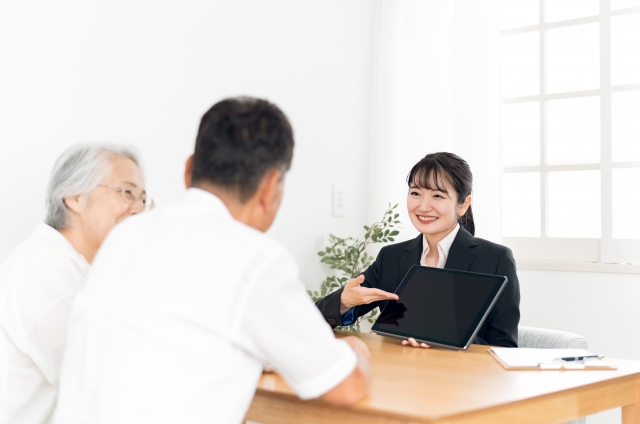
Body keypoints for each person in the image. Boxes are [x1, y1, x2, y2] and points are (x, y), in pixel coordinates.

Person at [53, 97, 371, 424]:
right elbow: (344, 388)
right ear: (271, 186)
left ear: (189, 169)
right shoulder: (254, 258)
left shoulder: (125, 237)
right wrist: (355, 355)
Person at [0, 143, 150, 424]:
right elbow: (107, 385)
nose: (140, 209)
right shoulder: (43, 267)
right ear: (74, 196)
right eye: (127, 193)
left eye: (144, 199)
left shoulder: (83, 270)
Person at [316, 152, 520, 347]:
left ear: (463, 204)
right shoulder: (391, 258)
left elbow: (504, 347)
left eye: (438, 196)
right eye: (415, 193)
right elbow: (314, 318)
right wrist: (343, 302)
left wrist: (445, 336)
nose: (423, 206)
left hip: (463, 378)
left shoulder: (495, 260)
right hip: (401, 375)